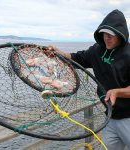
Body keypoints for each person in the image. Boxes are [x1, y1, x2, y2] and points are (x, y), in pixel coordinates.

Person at [47, 9, 130, 150]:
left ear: (121, 35)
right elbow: (75, 59)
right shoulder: (97, 50)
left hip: (128, 117)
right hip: (110, 116)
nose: (107, 37)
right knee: (109, 147)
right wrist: (57, 52)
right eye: (104, 33)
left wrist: (117, 92)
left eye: (111, 34)